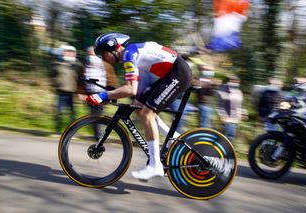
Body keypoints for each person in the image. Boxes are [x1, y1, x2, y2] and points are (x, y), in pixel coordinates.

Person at [86, 32, 193, 180]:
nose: (103, 59)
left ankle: (155, 165)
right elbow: (136, 88)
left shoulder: (130, 55)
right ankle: (173, 139)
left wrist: (103, 95)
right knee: (138, 107)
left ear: (114, 49)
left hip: (178, 74)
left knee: (146, 114)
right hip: (170, 74)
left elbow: (131, 89)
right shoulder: (131, 53)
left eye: (104, 54)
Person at [51, 44, 82, 135]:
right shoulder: (57, 64)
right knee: (58, 112)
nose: (70, 54)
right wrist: (55, 83)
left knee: (72, 114)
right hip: (61, 91)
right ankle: (57, 131)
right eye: (68, 52)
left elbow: (80, 75)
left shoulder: (77, 65)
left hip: (72, 92)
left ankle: (73, 132)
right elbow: (52, 74)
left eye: (72, 52)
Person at [216, 75, 243, 142]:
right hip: (227, 117)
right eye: (235, 81)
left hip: (235, 118)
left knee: (227, 136)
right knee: (229, 137)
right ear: (230, 81)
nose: (236, 83)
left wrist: (242, 113)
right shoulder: (224, 90)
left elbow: (239, 104)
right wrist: (222, 115)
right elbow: (220, 104)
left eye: (237, 82)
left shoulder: (238, 92)